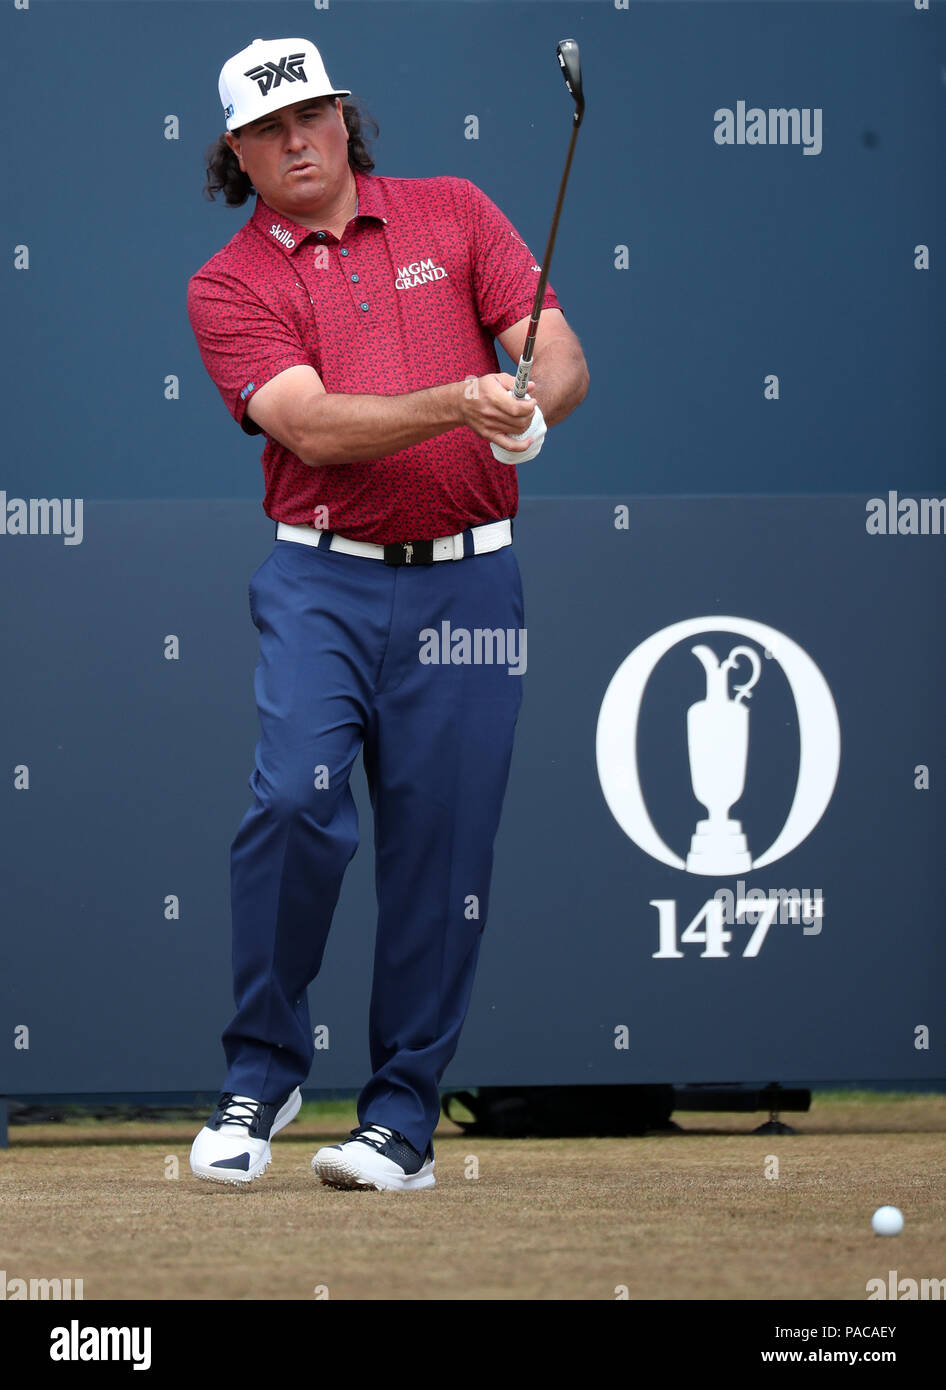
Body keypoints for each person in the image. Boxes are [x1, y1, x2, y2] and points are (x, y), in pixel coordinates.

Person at [186, 36, 589, 1191]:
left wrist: (532, 412)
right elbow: (310, 425)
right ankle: (261, 1075)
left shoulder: (452, 211)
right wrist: (461, 402)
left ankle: (401, 1117)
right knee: (294, 805)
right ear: (238, 155)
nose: (297, 140)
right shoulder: (230, 282)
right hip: (323, 578)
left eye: (311, 115)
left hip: (471, 578)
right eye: (268, 130)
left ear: (344, 119)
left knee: (441, 847)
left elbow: (554, 352)